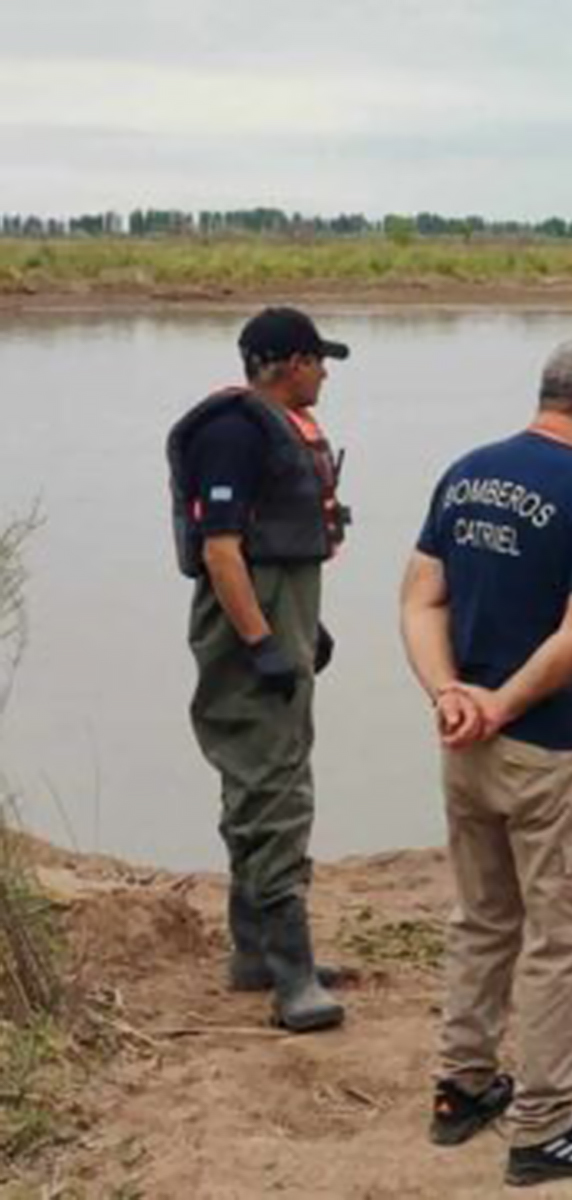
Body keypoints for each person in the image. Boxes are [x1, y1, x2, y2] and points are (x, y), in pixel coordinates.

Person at [399, 337, 572, 1187]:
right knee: (565, 937)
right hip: (556, 749)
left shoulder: (467, 471)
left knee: (481, 917)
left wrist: (450, 695)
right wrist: (503, 702)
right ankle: (544, 1127)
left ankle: (462, 1087)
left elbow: (418, 596)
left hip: (466, 744)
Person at [168, 305, 352, 1033]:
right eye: (317, 359)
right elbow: (221, 551)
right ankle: (292, 979)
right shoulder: (233, 433)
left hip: (279, 613)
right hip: (248, 629)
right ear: (288, 362)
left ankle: (256, 953)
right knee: (273, 787)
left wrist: (307, 627)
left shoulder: (263, 429)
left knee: (263, 776)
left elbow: (275, 552)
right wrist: (261, 643)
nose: (325, 372)